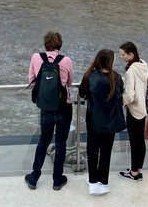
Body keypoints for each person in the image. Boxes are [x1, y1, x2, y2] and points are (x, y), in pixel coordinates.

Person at [25, 31, 73, 191]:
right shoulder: (66, 61)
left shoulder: (35, 57)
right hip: (64, 107)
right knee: (60, 143)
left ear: (45, 44)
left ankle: (34, 177)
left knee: (43, 141)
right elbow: (70, 82)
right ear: (60, 44)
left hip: (46, 107)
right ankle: (57, 180)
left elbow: (31, 80)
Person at [79, 49, 126, 195]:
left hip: (93, 120)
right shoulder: (117, 77)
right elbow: (120, 95)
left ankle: (93, 181)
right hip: (110, 121)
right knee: (106, 152)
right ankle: (103, 181)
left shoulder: (89, 76)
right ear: (110, 62)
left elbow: (82, 93)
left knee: (92, 151)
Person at [117, 41, 148, 182]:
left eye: (123, 54)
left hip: (134, 110)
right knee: (140, 141)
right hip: (143, 108)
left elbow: (130, 95)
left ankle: (134, 173)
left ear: (131, 54)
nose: (121, 57)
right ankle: (138, 169)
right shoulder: (143, 64)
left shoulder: (130, 71)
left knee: (134, 142)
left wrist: (121, 103)